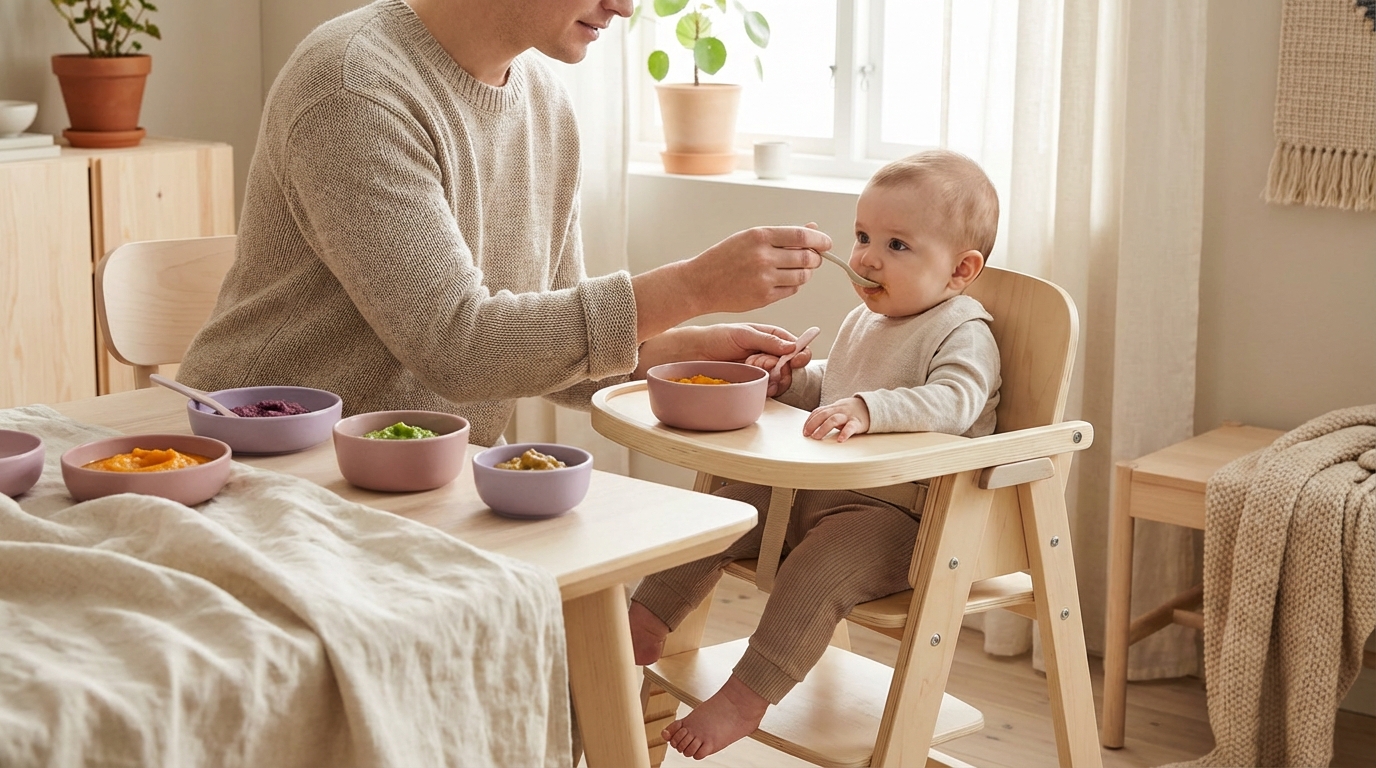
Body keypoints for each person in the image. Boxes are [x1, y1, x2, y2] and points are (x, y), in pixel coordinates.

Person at [177, 0, 829, 447]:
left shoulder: (546, 104)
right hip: (265, 453)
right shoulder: (354, 91)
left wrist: (685, 349)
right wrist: (690, 287)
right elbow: (457, 350)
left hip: (425, 466)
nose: (627, 6)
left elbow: (540, 348)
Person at [627, 148, 1004, 760]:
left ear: (960, 270)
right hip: (811, 493)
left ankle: (749, 694)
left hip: (901, 520)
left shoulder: (963, 327)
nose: (866, 257)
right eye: (862, 236)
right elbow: (836, 386)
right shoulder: (867, 319)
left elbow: (955, 401)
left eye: (897, 245)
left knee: (815, 572)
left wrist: (868, 409)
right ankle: (646, 619)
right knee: (721, 515)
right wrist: (790, 384)